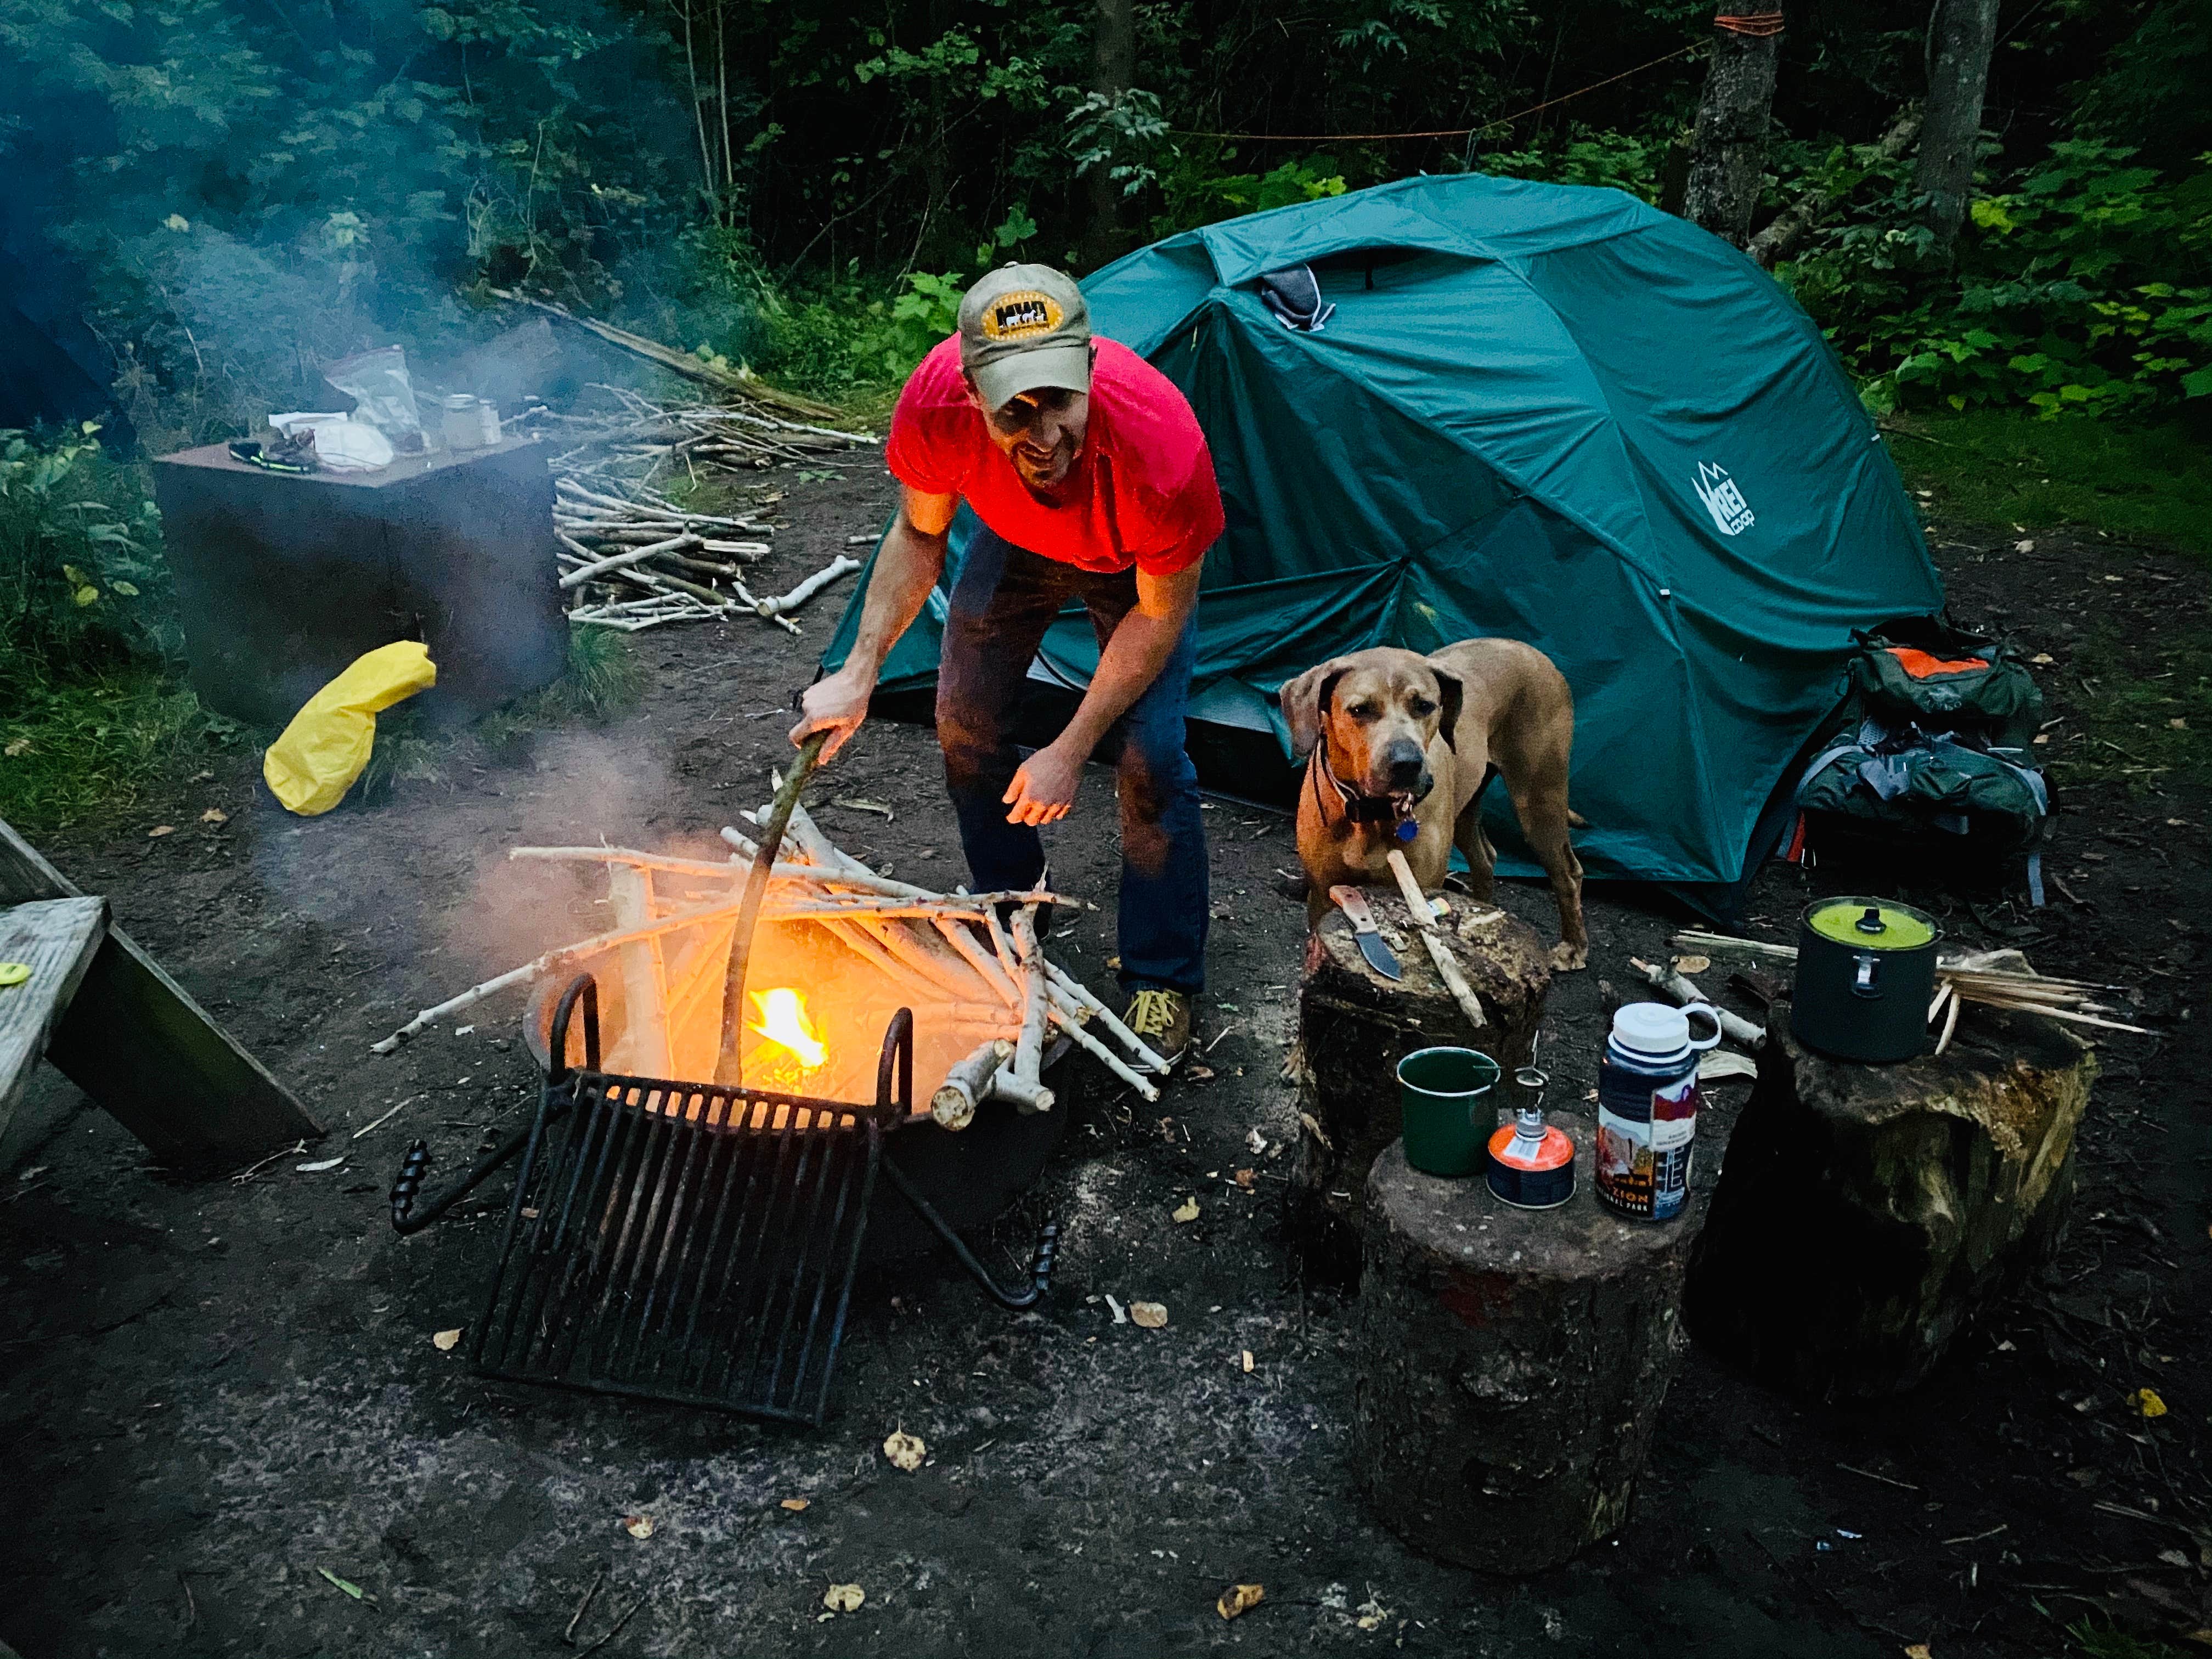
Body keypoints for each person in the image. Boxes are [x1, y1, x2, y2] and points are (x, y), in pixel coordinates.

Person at [793, 264, 1221, 1069]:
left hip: (1135, 569)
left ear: (1091, 368)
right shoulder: (933, 403)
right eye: (1014, 411)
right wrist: (860, 670)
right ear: (970, 391)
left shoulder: (1162, 450)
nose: (1045, 434)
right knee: (963, 720)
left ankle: (1164, 974)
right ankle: (1012, 908)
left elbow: (1159, 615)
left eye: (1059, 399)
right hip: (1017, 536)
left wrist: (1068, 749)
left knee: (1151, 755)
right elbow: (920, 537)